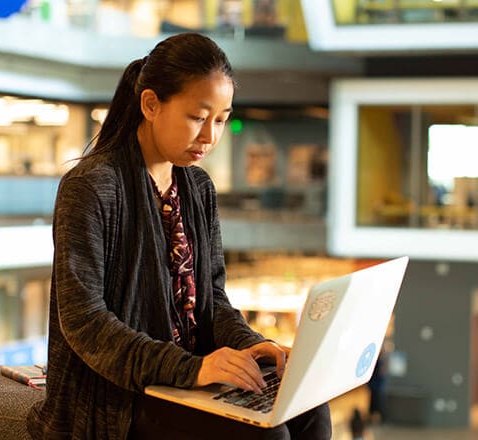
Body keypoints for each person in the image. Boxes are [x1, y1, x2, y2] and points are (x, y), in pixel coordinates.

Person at [26, 32, 331, 439]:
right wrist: (194, 369)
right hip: (122, 395)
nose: (210, 136)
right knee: (266, 435)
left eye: (221, 119)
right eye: (197, 116)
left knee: (311, 411)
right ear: (151, 104)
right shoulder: (91, 185)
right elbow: (86, 323)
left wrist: (252, 346)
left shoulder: (197, 187)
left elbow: (213, 301)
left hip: (187, 381)